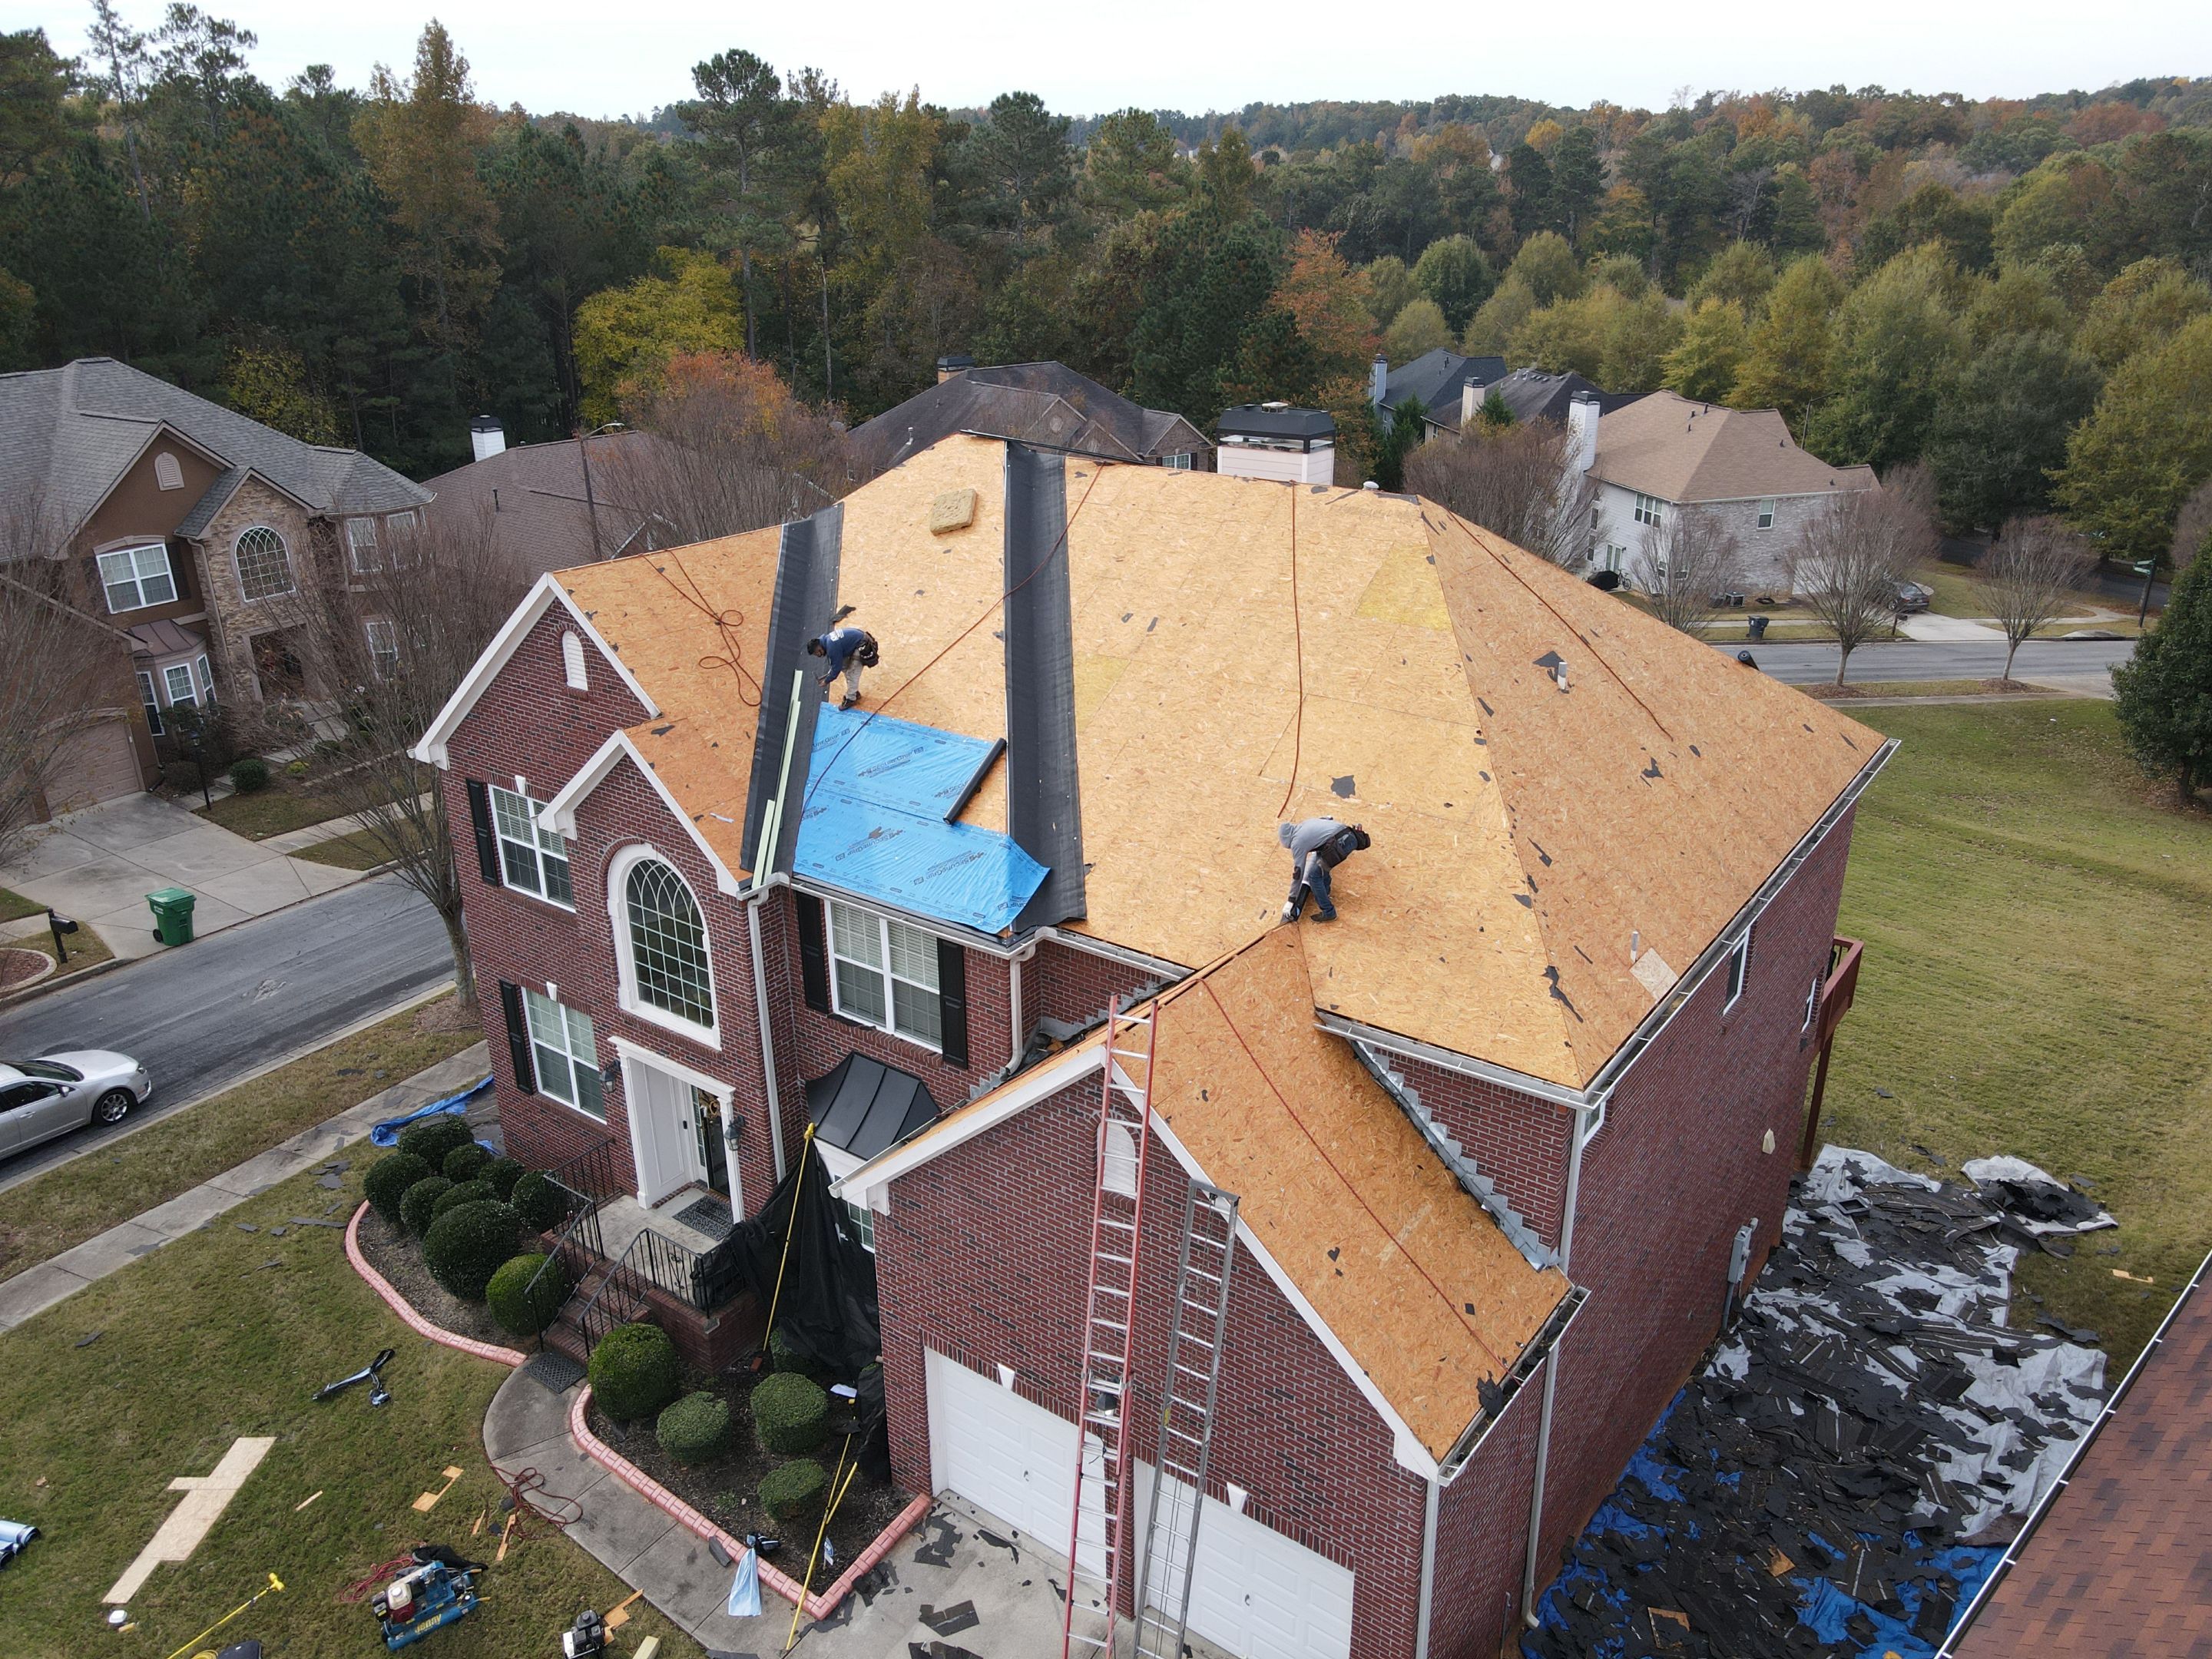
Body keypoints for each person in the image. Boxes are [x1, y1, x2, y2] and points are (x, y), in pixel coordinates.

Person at [1279, 818, 1370, 923]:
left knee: (1313, 875)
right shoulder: (1304, 824)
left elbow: (1298, 872)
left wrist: (1291, 900)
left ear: (1287, 839)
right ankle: (1324, 892)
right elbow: (1326, 819)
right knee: (1321, 861)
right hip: (1347, 835)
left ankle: (1329, 912)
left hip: (1341, 843)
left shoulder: (1297, 842)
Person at [806, 625, 878, 710]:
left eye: (817, 654)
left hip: (863, 645)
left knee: (852, 673)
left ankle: (851, 698)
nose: (818, 656)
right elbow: (838, 665)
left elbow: (836, 668)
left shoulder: (831, 647)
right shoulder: (827, 640)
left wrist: (826, 681)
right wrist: (829, 675)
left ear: (819, 649)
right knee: (845, 668)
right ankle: (854, 691)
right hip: (860, 640)